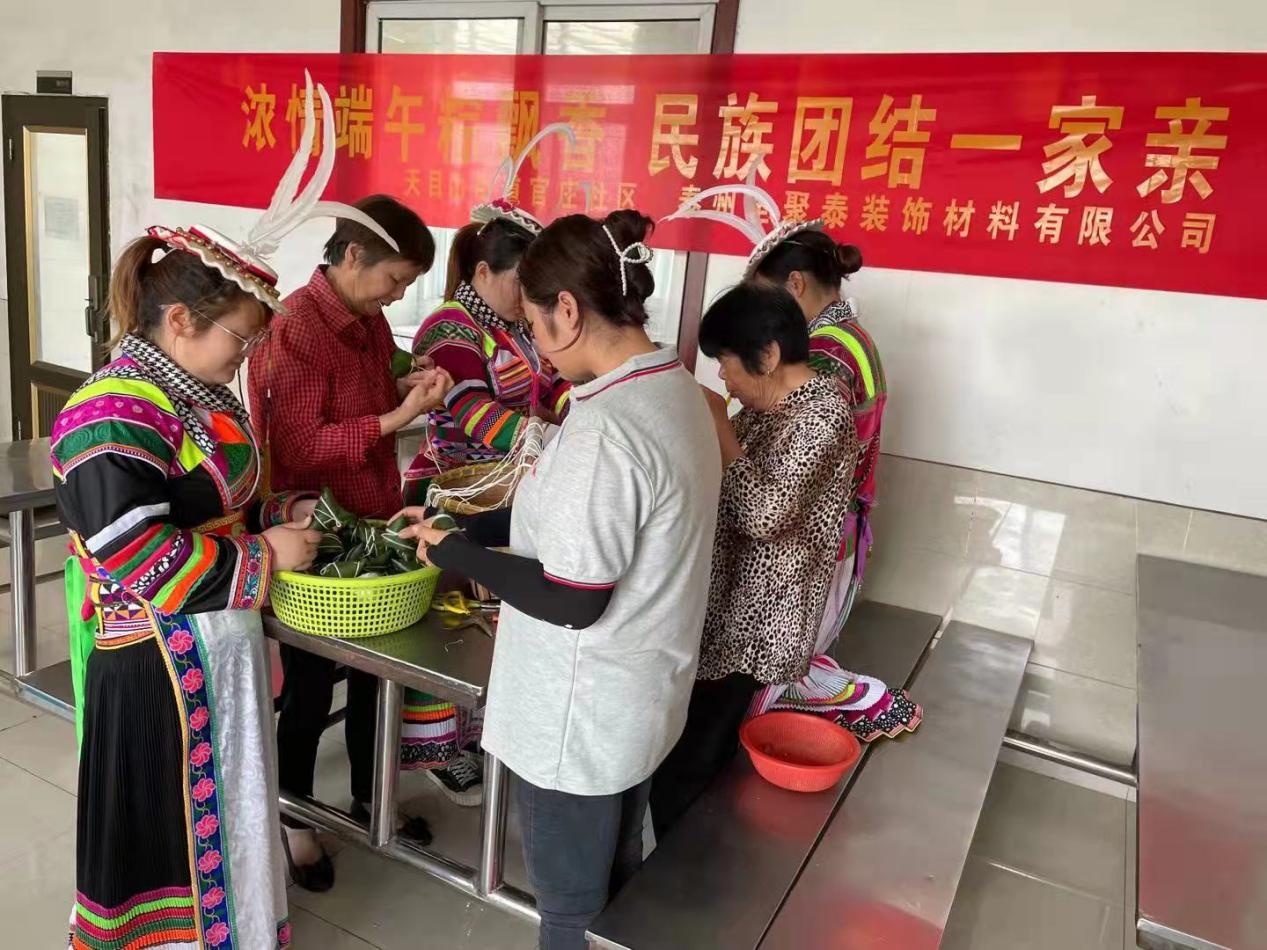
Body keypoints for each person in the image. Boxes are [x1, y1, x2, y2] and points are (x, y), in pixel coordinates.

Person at [397, 210, 722, 950]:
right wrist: (468, 526)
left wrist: (456, 555)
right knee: (617, 881)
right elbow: (578, 519)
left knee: (571, 909)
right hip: (638, 699)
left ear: (567, 310)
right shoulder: (672, 387)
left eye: (535, 322)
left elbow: (576, 599)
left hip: (580, 719)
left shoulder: (606, 425)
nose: (537, 342)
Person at [51, 228, 321, 950]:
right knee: (163, 833)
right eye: (240, 337)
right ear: (180, 321)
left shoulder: (196, 399)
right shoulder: (110, 414)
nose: (247, 354)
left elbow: (213, 508)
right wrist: (264, 556)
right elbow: (135, 553)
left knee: (227, 815)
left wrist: (278, 513)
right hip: (153, 664)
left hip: (217, 644)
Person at [649, 283, 919, 838]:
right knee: (692, 750)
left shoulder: (823, 415)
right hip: (724, 608)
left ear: (768, 355)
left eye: (726, 362)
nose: (723, 377)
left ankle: (688, 872)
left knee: (693, 761)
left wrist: (719, 429)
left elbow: (764, 513)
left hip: (759, 623)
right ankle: (691, 854)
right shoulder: (765, 407)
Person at [247, 194, 451, 891]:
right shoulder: (296, 329)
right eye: (394, 278)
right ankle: (295, 821)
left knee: (377, 675)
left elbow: (381, 371)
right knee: (308, 687)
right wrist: (396, 418)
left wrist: (411, 373)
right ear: (354, 255)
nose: (397, 294)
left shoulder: (366, 319)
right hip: (314, 533)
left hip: (373, 518)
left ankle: (371, 798)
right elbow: (301, 446)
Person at [397, 198, 571, 805]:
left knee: (486, 618)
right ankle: (434, 748)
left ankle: (477, 732)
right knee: (444, 621)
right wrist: (546, 440)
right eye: (521, 282)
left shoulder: (515, 329)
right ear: (481, 272)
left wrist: (580, 411)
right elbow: (466, 406)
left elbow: (553, 383)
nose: (528, 296)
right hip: (452, 488)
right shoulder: (451, 327)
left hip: (504, 485)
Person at [751, 229, 885, 640]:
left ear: (795, 284)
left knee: (779, 666)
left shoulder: (826, 351)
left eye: (765, 298)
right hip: (833, 534)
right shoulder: (851, 337)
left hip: (808, 544)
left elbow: (797, 461)